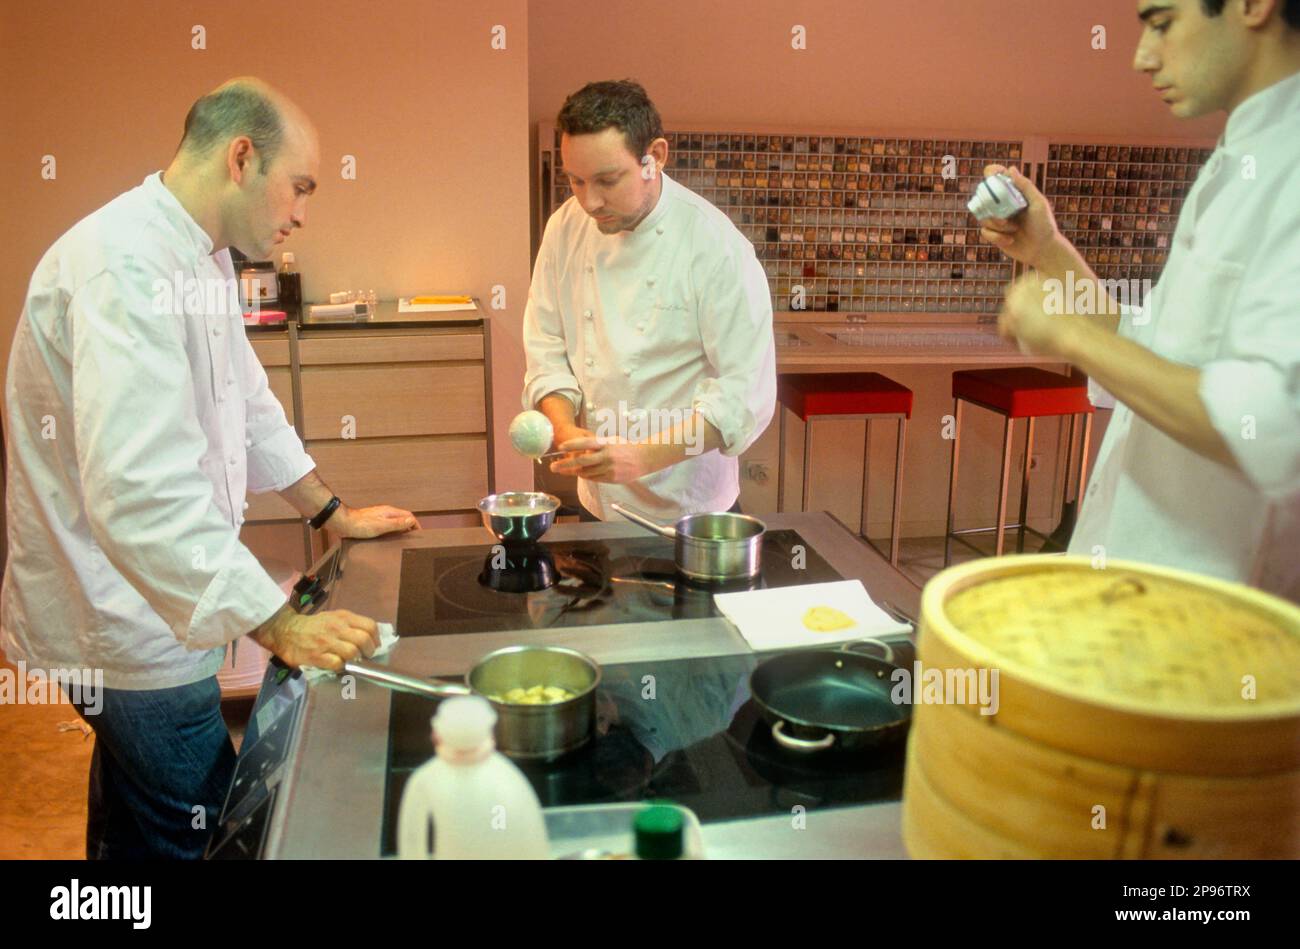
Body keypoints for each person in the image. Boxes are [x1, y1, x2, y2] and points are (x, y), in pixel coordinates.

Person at [1, 78, 418, 858]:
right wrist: (281, 622)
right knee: (210, 830)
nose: (301, 213)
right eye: (300, 187)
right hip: (123, 626)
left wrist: (332, 513)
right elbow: (140, 493)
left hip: (154, 610)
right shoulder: (122, 266)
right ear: (240, 158)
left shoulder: (200, 255)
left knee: (133, 821)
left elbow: (249, 403)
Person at [987, 0, 1300, 600]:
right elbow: (1144, 344)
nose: (1141, 56)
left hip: (1222, 605)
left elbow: (1272, 425)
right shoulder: (1237, 159)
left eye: (1162, 23)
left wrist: (1071, 337)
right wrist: (1050, 252)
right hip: (1141, 568)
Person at [523, 79, 776, 521]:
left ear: (654, 157)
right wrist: (564, 430)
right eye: (576, 181)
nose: (589, 201)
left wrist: (643, 457)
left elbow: (744, 399)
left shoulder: (715, 247)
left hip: (691, 513)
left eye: (607, 180)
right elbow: (547, 346)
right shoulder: (565, 228)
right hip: (597, 505)